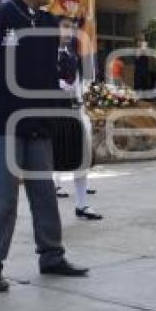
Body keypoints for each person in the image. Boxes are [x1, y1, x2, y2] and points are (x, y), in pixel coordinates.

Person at [0, 0, 88, 293]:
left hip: (40, 122)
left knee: (45, 193)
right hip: (6, 123)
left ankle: (51, 256)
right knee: (3, 198)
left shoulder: (49, 22)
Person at [53, 15, 102, 220]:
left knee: (81, 159)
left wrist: (82, 99)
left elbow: (77, 82)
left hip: (75, 111)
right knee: (52, 161)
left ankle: (82, 205)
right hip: (55, 113)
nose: (70, 32)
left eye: (72, 28)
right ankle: (48, 209)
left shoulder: (72, 55)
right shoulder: (45, 56)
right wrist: (55, 85)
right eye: (65, 27)